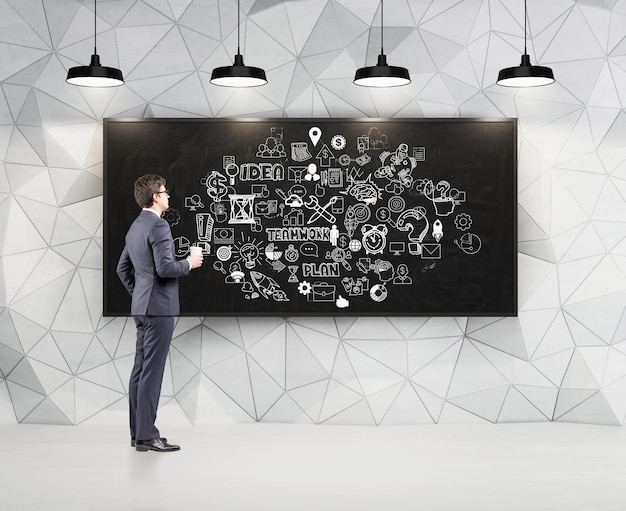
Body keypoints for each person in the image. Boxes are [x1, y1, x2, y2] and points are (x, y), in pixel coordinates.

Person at [116, 174, 203, 452]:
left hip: (142, 308)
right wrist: (189, 262)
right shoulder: (159, 226)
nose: (168, 196)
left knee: (140, 370)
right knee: (151, 373)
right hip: (159, 310)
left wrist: (141, 294)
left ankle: (137, 434)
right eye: (165, 192)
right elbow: (165, 269)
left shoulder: (134, 228)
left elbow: (122, 270)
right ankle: (146, 435)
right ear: (155, 196)